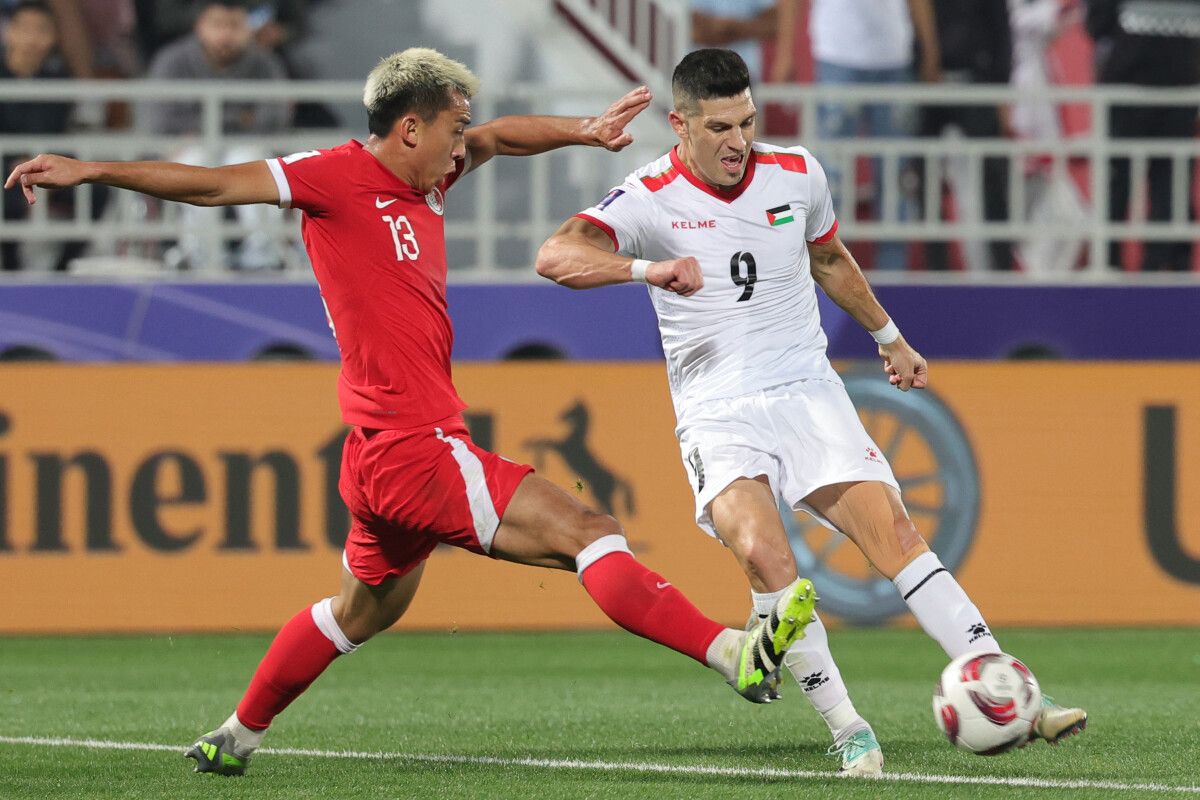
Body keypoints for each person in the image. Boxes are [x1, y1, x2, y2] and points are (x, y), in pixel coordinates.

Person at [5, 47, 820, 776]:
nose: (465, 148)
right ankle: (732, 655)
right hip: (413, 445)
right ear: (408, 128)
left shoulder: (429, 173)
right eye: (452, 130)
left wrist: (579, 130)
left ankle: (236, 734)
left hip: (377, 459)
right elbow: (215, 184)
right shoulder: (332, 178)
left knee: (361, 611)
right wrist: (91, 169)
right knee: (588, 530)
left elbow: (500, 137)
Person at [536, 48, 1088, 777]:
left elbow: (828, 258)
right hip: (717, 410)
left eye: (748, 121)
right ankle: (849, 728)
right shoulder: (647, 196)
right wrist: (648, 269)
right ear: (680, 125)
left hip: (805, 389)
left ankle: (1013, 693)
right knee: (770, 560)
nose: (739, 141)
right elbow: (555, 256)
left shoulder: (796, 172)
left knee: (894, 533)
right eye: (721, 127)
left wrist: (890, 337)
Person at [140, 0, 292, 270]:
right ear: (200, 26)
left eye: (234, 26)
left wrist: (209, 121)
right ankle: (200, 256)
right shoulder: (172, 60)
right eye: (217, 25)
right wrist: (238, 118)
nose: (226, 35)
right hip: (187, 147)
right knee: (196, 161)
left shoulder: (264, 62)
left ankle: (262, 256)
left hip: (244, 146)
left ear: (248, 29)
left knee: (255, 162)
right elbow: (160, 120)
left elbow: (275, 117)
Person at [807, 0, 940, 270]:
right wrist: (786, 52)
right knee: (832, 178)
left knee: (896, 177)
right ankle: (832, 274)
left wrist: (930, 50)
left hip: (893, 56)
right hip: (838, 52)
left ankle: (894, 277)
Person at [1085, 0, 1200, 272]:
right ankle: (1162, 264)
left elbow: (1097, 24)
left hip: (1129, 79)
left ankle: (1110, 262)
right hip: (1181, 81)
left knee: (1118, 175)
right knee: (1172, 177)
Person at [916, 0, 1014, 271]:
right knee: (925, 176)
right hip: (928, 81)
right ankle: (935, 266)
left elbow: (1001, 30)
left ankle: (1001, 263)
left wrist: (1002, 91)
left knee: (993, 176)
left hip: (976, 80)